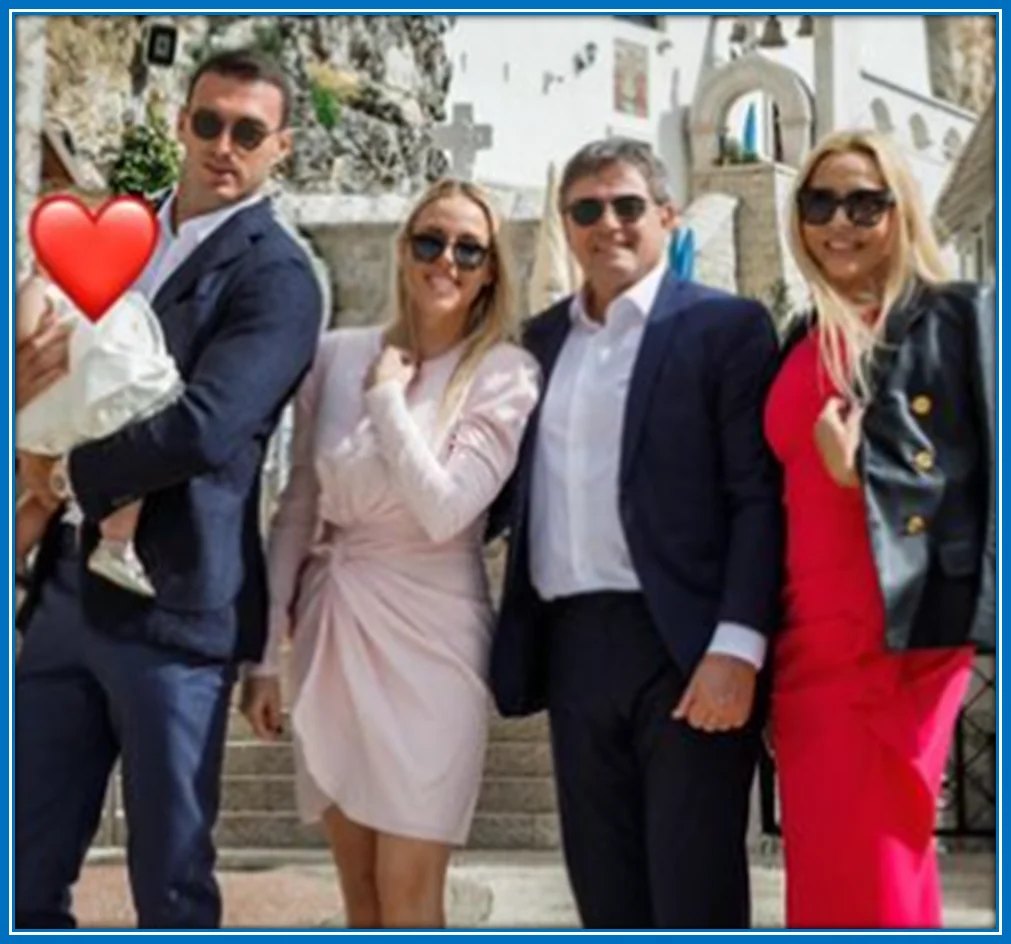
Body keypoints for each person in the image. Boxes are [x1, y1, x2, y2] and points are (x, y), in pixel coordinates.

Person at [14, 47, 324, 928]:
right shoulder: (114, 233)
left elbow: (208, 425)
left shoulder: (279, 276)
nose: (224, 145)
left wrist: (65, 473)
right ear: (181, 124)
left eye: (249, 131)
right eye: (208, 122)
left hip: (176, 613)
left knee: (171, 876)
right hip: (66, 599)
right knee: (21, 867)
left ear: (281, 148)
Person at [488, 138, 783, 929]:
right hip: (573, 645)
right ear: (566, 225)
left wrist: (737, 647)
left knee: (693, 892)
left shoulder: (726, 327)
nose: (606, 224)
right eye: (585, 209)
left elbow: (756, 496)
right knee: (604, 891)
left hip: (684, 645)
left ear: (665, 215)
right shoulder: (536, 342)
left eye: (626, 206)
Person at [240, 179, 539, 929]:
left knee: (411, 898)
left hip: (434, 641)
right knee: (361, 898)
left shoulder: (505, 374)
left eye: (469, 249)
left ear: (491, 270)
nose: (447, 260)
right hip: (331, 627)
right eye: (430, 241)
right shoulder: (335, 355)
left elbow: (445, 510)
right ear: (403, 250)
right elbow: (297, 506)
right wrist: (265, 653)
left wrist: (387, 403)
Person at [764, 128, 995, 928]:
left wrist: (859, 471)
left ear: (901, 212)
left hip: (895, 643)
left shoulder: (953, 317)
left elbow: (979, 476)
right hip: (804, 648)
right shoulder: (800, 331)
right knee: (824, 875)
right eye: (819, 201)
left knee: (878, 865)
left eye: (865, 202)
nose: (840, 220)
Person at [16, 254, 183, 597]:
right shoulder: (39, 287)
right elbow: (22, 333)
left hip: (56, 405)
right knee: (125, 453)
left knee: (43, 496)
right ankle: (115, 542)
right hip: (64, 401)